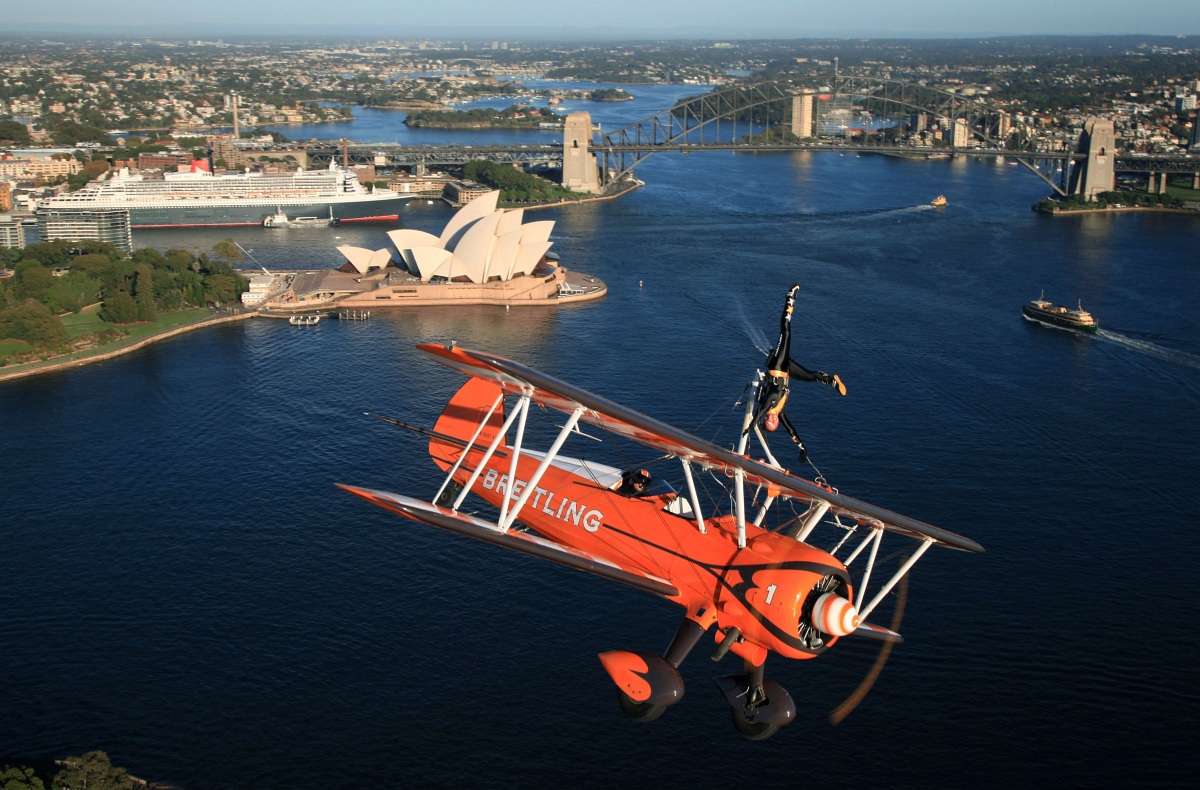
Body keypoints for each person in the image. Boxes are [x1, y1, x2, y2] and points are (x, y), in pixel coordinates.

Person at [754, 282, 845, 463]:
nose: (774, 421)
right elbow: (791, 430)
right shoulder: (780, 413)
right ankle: (832, 381)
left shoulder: (766, 406)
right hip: (786, 371)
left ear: (765, 419)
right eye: (775, 424)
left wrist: (753, 427)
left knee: (786, 333)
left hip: (777, 366)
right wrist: (802, 447)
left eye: (769, 422)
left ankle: (790, 298)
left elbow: (761, 409)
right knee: (810, 375)